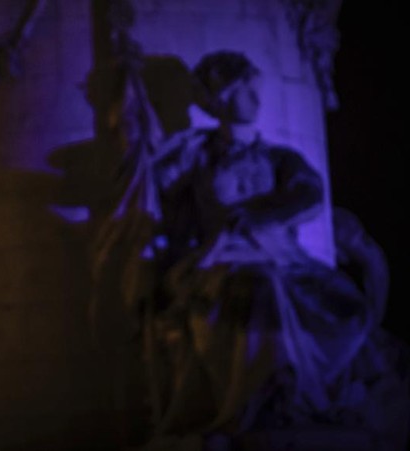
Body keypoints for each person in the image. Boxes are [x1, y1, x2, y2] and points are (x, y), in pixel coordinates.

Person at [96, 50, 383, 447]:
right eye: (245, 89)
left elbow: (310, 195)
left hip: (285, 259)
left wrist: (256, 216)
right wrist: (143, 142)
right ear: (221, 98)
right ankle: (261, 403)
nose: (256, 97)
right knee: (258, 287)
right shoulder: (197, 155)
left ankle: (300, 399)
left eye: (255, 87)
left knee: (345, 303)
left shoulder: (280, 158)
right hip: (221, 259)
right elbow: (153, 191)